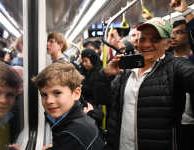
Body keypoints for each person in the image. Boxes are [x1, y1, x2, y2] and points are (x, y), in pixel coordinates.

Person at [100, 16, 194, 150]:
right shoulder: (126, 71)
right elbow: (104, 100)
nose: (146, 44)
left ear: (167, 44)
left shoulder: (175, 66)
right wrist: (105, 74)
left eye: (155, 39)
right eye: (142, 39)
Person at [32, 62, 105, 150]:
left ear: (76, 93)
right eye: (44, 95)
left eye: (57, 93)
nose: (49, 101)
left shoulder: (73, 134)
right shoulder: (76, 122)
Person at [170, 19, 194, 150]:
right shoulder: (165, 62)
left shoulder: (192, 61)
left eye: (179, 32)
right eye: (172, 33)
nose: (173, 36)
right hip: (175, 123)